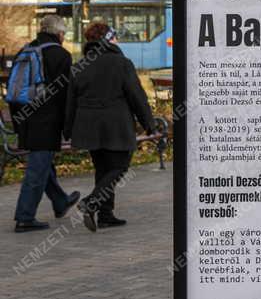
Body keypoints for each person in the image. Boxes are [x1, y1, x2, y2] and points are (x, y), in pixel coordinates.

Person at [66, 22, 155, 231]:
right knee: (119, 167)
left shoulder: (79, 66)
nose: (117, 40)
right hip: (116, 125)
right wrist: (148, 123)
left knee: (103, 169)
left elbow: (70, 102)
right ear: (107, 39)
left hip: (88, 127)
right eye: (114, 36)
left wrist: (68, 129)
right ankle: (91, 202)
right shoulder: (121, 63)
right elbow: (137, 97)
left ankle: (106, 214)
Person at [10, 15, 80, 232]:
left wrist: (18, 122)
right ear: (59, 34)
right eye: (64, 33)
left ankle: (60, 201)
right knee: (37, 169)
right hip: (46, 122)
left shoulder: (26, 50)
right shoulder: (61, 55)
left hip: (24, 118)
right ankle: (25, 217)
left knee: (43, 164)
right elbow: (64, 96)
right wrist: (67, 126)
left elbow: (16, 90)